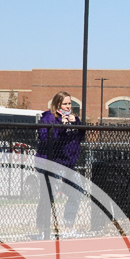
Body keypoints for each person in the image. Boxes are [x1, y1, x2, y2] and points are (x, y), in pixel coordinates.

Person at [36, 91, 86, 239]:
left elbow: (81, 136)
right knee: (48, 195)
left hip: (68, 164)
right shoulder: (48, 118)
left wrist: (76, 123)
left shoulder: (73, 118)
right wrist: (60, 126)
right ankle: (43, 229)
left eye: (70, 103)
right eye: (65, 103)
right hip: (50, 163)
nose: (68, 106)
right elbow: (45, 138)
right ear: (57, 104)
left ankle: (68, 227)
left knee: (76, 192)